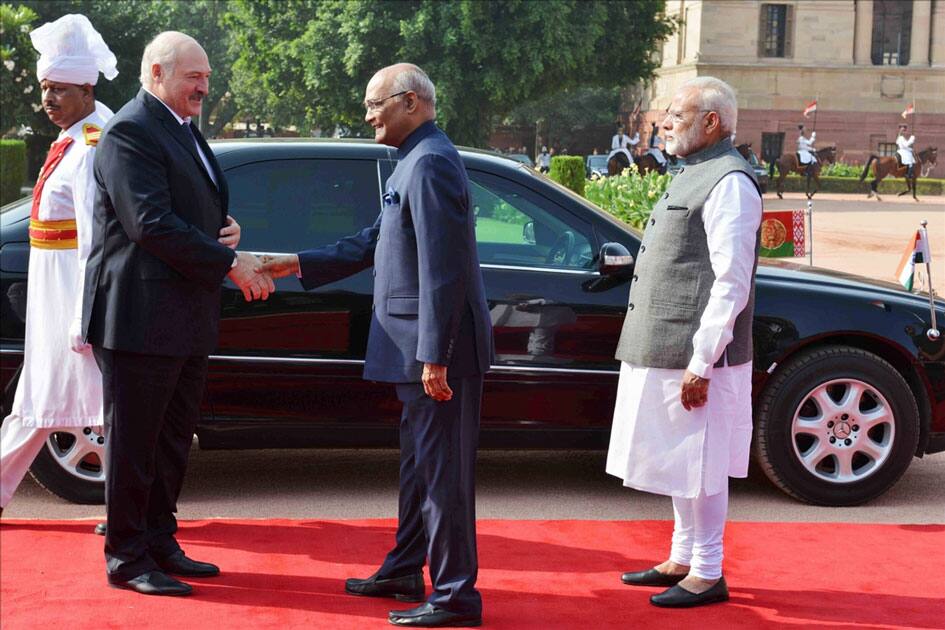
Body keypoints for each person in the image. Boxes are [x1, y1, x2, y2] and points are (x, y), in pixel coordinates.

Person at [258, 63, 492, 628]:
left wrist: (435, 352)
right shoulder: (413, 160)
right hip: (415, 350)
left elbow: (444, 266)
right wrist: (295, 264)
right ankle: (405, 568)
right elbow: (376, 240)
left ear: (410, 102)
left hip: (434, 354)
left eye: (374, 104)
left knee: (444, 479)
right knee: (420, 470)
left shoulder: (431, 162)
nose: (366, 116)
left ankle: (456, 597)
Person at [81, 31, 271, 597]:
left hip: (183, 313)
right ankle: (127, 557)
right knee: (135, 444)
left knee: (170, 440)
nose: (205, 87)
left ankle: (160, 541)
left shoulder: (181, 129)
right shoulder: (131, 131)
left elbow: (191, 208)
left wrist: (225, 231)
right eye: (195, 77)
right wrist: (230, 262)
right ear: (159, 72)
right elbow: (150, 224)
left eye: (207, 77)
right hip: (139, 316)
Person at [606, 76, 762, 608]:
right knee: (680, 461)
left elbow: (731, 282)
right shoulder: (694, 171)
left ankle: (709, 570)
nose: (666, 122)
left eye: (677, 113)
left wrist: (703, 360)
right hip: (667, 347)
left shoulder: (730, 183)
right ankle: (682, 557)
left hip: (699, 357)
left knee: (705, 463)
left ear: (712, 122)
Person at [0, 14, 118, 517]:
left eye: (60, 90)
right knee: (40, 396)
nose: (49, 99)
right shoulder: (71, 137)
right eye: (46, 88)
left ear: (87, 91)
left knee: (103, 404)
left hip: (75, 293)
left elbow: (95, 238)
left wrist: (81, 313)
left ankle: (133, 509)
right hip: (54, 291)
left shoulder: (94, 144)